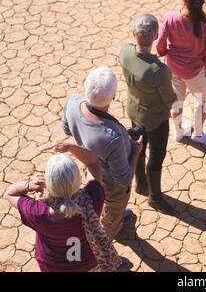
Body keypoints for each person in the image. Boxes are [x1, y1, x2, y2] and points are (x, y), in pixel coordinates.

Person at [4, 142, 128, 272]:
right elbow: (93, 163)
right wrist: (70, 147)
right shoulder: (93, 198)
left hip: (55, 267)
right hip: (89, 263)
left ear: (48, 182)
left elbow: (9, 193)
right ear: (78, 179)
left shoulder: (38, 213)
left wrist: (29, 184)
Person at [61, 67, 143, 240]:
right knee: (111, 212)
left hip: (90, 169)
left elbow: (66, 128)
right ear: (113, 96)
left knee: (102, 203)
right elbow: (124, 179)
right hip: (110, 183)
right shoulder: (112, 136)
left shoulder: (73, 102)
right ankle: (107, 247)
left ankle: (117, 216)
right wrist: (135, 151)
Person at [119, 14, 177, 214]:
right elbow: (170, 99)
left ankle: (140, 182)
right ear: (155, 37)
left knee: (139, 148)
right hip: (155, 120)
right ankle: (155, 197)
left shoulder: (124, 52)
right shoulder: (158, 70)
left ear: (134, 33)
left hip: (133, 110)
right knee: (156, 156)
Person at [156, 0, 206, 145]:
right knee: (205, 100)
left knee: (177, 101)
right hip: (195, 72)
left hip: (173, 68)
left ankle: (178, 132)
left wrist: (163, 53)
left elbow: (160, 44)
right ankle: (197, 134)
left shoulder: (170, 18)